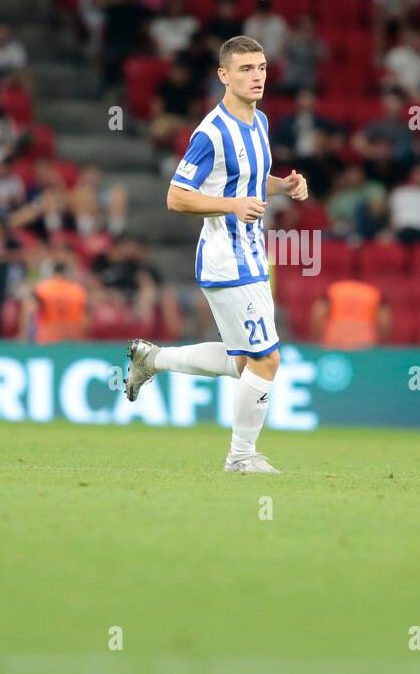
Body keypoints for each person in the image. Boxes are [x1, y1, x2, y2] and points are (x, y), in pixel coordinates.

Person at [123, 36, 309, 474]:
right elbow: (177, 196)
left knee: (243, 360)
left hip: (252, 256)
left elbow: (246, 180)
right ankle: (241, 458)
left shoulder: (259, 122)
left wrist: (282, 185)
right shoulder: (211, 131)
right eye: (245, 69)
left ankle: (152, 359)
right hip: (226, 259)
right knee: (267, 359)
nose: (257, 75)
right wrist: (231, 206)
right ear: (223, 75)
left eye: (261, 67)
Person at [311, 279, 389, 349]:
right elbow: (384, 322)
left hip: (334, 341)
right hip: (365, 343)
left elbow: (318, 314)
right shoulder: (373, 293)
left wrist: (317, 339)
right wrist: (382, 342)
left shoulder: (334, 290)